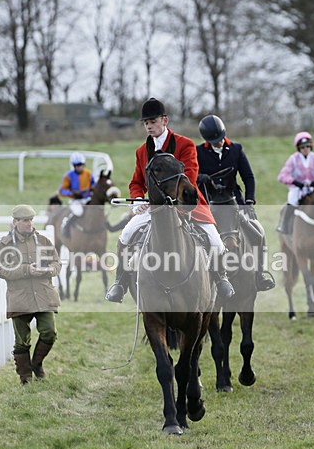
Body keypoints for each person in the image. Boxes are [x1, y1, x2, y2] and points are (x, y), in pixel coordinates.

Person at [104, 97, 235, 303]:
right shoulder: (141, 151)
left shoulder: (185, 144)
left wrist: (174, 198)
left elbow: (190, 175)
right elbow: (137, 182)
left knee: (215, 240)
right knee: (126, 235)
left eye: (153, 121)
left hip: (186, 203)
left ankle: (221, 278)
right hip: (155, 207)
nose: (149, 126)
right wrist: (138, 200)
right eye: (146, 123)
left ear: (164, 120)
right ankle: (120, 282)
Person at [195, 114, 275, 292]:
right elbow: (190, 175)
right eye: (214, 141)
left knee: (258, 233)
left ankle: (260, 274)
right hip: (210, 205)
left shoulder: (236, 149)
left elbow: (248, 177)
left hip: (234, 203)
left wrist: (249, 200)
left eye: (220, 139)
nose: (218, 143)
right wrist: (200, 177)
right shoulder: (198, 152)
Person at [0, 204, 62, 384]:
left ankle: (36, 365)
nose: (29, 223)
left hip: (44, 296)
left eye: (31, 220)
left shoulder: (44, 241)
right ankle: (25, 378)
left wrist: (47, 270)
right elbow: (0, 269)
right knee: (22, 342)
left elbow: (57, 264)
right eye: (25, 220)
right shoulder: (5, 244)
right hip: (20, 298)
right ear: (15, 222)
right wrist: (26, 270)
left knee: (49, 332)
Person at [276, 131, 314, 234]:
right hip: (297, 189)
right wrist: (295, 182)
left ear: (311, 146)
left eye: (308, 146)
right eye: (302, 147)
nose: (305, 149)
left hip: (313, 189)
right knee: (292, 199)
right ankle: (284, 225)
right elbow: (282, 176)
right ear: (298, 148)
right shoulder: (293, 159)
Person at [58, 152, 95, 238]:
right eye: (77, 165)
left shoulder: (89, 174)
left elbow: (94, 184)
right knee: (79, 212)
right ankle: (66, 225)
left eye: (81, 165)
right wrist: (72, 194)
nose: (80, 167)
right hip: (75, 201)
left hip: (87, 199)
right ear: (74, 166)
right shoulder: (68, 176)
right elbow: (62, 190)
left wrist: (92, 189)